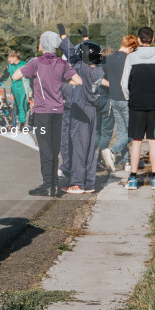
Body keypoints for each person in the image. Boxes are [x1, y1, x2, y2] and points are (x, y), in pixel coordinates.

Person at [12, 31, 82, 196]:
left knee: (45, 150)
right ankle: (54, 184)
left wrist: (28, 68)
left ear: (43, 45)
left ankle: (48, 185)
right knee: (54, 148)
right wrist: (60, 79)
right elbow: (78, 81)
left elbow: (15, 76)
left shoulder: (36, 62)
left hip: (42, 112)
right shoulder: (61, 63)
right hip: (58, 111)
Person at [58, 25, 106, 194]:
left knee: (78, 146)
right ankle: (89, 182)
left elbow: (71, 52)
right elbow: (89, 52)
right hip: (92, 110)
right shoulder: (98, 70)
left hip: (80, 108)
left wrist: (63, 35)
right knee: (90, 149)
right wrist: (86, 39)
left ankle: (77, 183)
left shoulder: (80, 68)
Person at [121, 27, 155, 190]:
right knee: (153, 141)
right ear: (152, 39)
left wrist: (129, 98)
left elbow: (124, 83)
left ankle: (132, 179)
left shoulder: (132, 58)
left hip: (137, 104)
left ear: (139, 40)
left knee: (136, 141)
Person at [99, 36, 136, 172]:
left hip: (114, 97)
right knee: (133, 131)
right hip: (127, 98)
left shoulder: (108, 59)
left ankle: (126, 162)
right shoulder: (129, 59)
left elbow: (99, 77)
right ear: (131, 47)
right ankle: (112, 151)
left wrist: (113, 85)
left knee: (122, 133)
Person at [0, 50, 29, 129]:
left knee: (23, 104)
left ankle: (22, 122)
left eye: (10, 58)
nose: (8, 60)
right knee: (16, 105)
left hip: (24, 87)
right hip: (14, 88)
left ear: (15, 57)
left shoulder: (24, 64)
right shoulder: (9, 66)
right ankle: (16, 121)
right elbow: (5, 76)